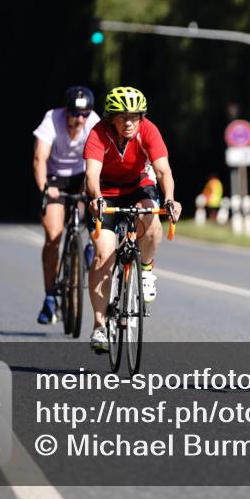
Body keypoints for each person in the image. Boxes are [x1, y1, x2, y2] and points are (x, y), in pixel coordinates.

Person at [84, 86, 182, 353]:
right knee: (103, 255)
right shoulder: (98, 133)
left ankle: (146, 269)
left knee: (152, 221)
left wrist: (171, 198)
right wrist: (95, 198)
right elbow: (92, 174)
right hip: (104, 192)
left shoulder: (149, 130)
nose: (129, 122)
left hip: (139, 186)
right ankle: (100, 325)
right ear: (110, 117)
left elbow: (163, 171)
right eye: (122, 116)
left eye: (134, 116)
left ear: (142, 116)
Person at [32, 86, 101, 324]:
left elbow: (101, 157)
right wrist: (44, 188)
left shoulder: (93, 121)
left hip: (83, 174)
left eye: (85, 114)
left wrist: (93, 188)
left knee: (98, 204)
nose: (80, 119)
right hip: (55, 178)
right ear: (66, 110)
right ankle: (50, 296)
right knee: (53, 235)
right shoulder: (52, 118)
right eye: (75, 114)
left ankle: (92, 243)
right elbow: (40, 157)